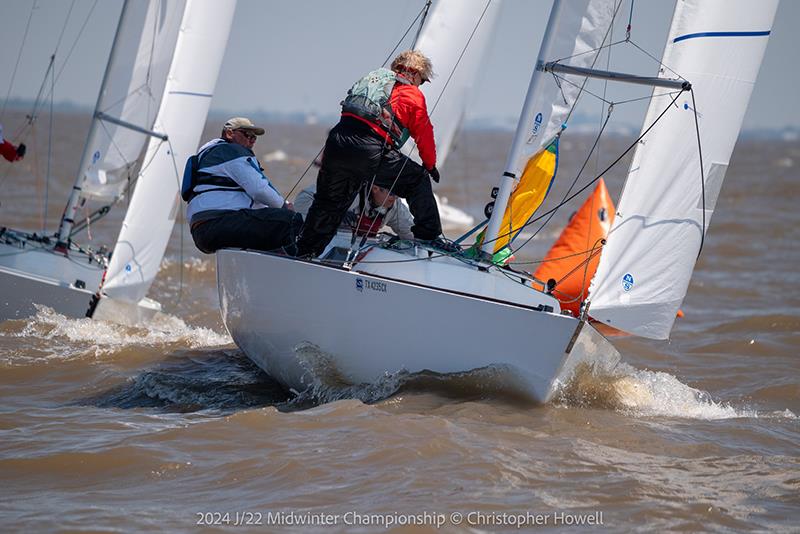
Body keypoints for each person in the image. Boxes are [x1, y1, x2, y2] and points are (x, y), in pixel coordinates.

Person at [296, 50, 447, 257]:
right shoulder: (412, 94)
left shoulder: (373, 80)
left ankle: (304, 252)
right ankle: (428, 238)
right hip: (369, 149)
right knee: (417, 180)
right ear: (415, 74)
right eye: (422, 80)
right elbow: (424, 133)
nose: (420, 85)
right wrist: (430, 165)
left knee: (328, 204)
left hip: (336, 143)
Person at [184, 117, 302, 254]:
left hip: (201, 231)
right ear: (229, 133)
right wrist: (285, 207)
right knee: (291, 221)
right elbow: (259, 190)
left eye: (254, 137)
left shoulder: (208, 154)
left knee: (270, 224)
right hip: (219, 223)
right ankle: (297, 266)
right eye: (247, 134)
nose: (252, 140)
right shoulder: (231, 152)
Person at [294, 183, 414, 240]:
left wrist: (429, 239)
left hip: (361, 256)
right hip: (326, 246)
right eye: (392, 193)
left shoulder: (394, 206)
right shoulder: (348, 190)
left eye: (398, 194)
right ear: (375, 188)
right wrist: (333, 213)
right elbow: (302, 201)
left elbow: (412, 233)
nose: (395, 198)